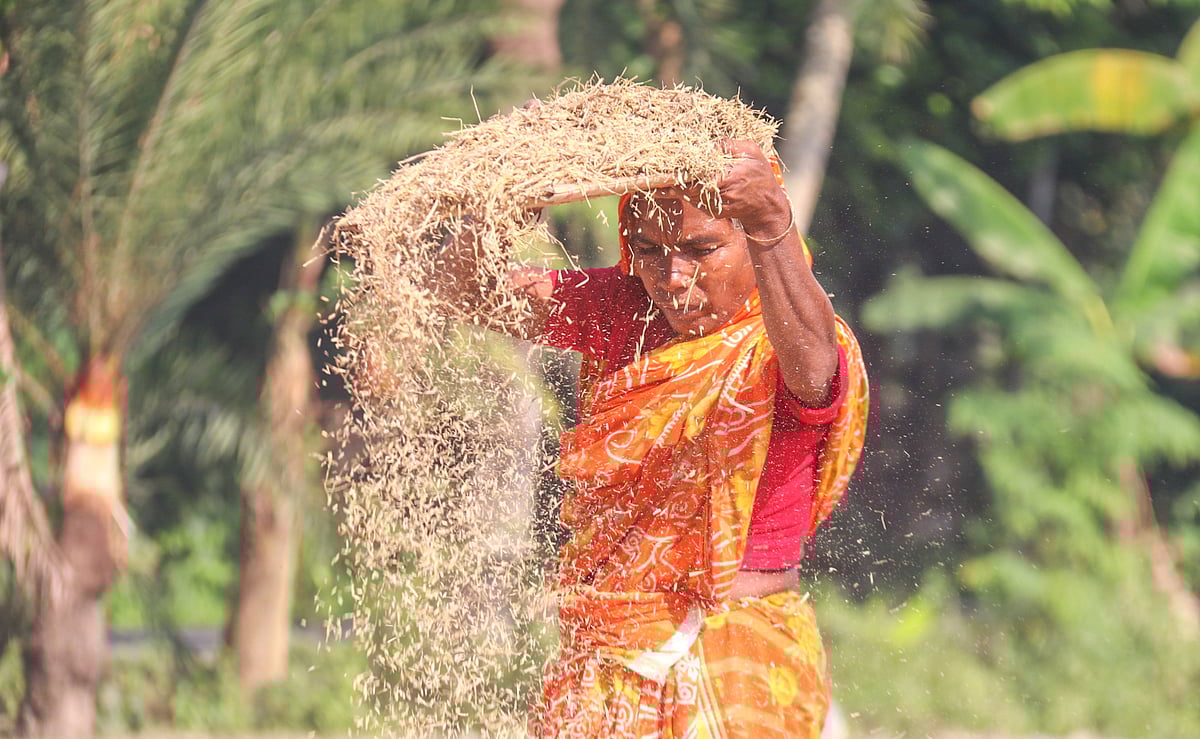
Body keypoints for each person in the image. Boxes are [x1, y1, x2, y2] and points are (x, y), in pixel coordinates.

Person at [437, 139, 868, 738]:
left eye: (702, 249)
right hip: (605, 660)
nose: (673, 277)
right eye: (648, 250)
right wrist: (506, 196)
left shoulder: (786, 339)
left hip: (737, 663)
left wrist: (773, 219)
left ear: (752, 237)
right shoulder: (627, 310)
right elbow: (462, 292)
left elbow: (816, 363)